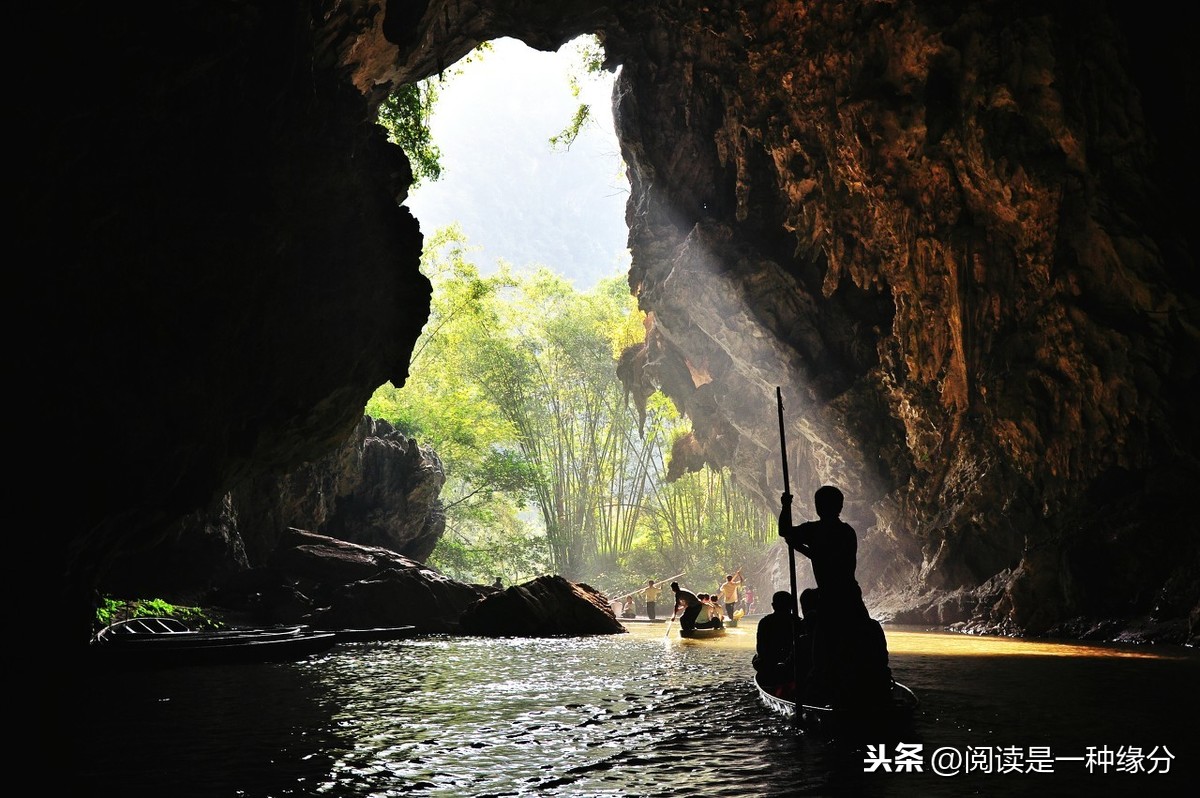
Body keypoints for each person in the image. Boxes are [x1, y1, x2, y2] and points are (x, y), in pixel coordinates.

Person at [779, 485, 869, 704]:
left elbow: (785, 531)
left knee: (823, 649)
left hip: (830, 599)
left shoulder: (815, 530)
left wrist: (786, 506)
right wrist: (804, 550)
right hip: (850, 596)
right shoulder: (847, 531)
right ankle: (863, 687)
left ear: (818, 507)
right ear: (840, 507)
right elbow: (826, 557)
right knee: (861, 642)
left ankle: (823, 690)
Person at [753, 590, 804, 690]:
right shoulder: (798, 622)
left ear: (773, 605)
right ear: (791, 605)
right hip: (790, 666)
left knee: (757, 660)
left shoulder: (765, 622)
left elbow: (761, 648)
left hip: (776, 665)